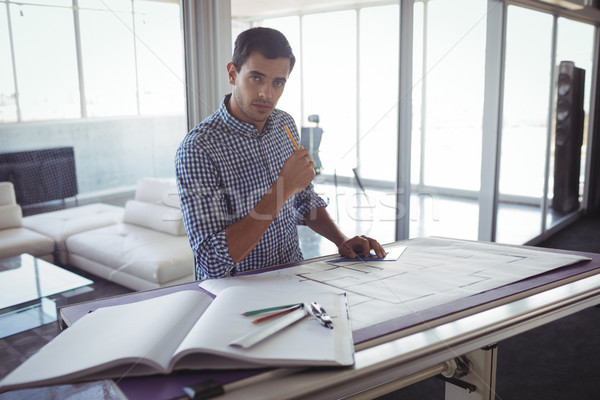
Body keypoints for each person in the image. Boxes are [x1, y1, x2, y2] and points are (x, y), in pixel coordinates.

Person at [175, 27, 385, 280]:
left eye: (278, 82)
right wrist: (283, 188)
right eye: (256, 78)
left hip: (293, 275)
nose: (267, 94)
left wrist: (341, 240)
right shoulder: (198, 148)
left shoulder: (285, 124)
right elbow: (211, 261)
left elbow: (304, 198)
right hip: (235, 294)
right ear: (233, 73)